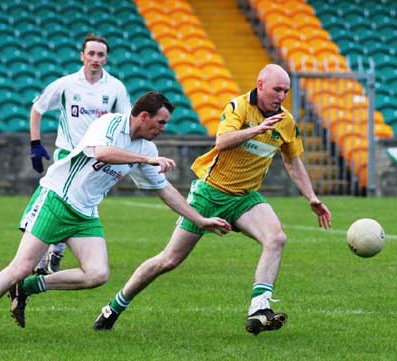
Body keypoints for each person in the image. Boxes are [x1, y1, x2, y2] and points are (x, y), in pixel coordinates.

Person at [0, 92, 231, 342]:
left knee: (97, 274)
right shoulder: (110, 124)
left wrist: (200, 220)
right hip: (56, 199)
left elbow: (166, 191)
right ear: (143, 116)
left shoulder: (147, 149)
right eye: (161, 122)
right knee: (21, 265)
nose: (163, 128)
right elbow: (102, 153)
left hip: (84, 213)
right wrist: (147, 161)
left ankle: (27, 288)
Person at [93, 64, 332, 335]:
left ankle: (259, 310)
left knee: (276, 238)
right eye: (277, 89)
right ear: (261, 84)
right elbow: (222, 141)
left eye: (286, 91)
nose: (281, 95)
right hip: (210, 193)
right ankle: (113, 307)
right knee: (169, 260)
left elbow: (292, 161)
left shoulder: (286, 121)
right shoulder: (239, 106)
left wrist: (311, 196)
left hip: (245, 197)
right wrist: (256, 129)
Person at [30, 33, 132, 275]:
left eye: (100, 55)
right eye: (91, 54)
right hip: (69, 154)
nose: (95, 59)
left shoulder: (115, 87)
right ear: (82, 56)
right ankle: (48, 255)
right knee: (66, 203)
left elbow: (126, 121)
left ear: (106, 59)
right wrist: (35, 143)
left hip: (96, 156)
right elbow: (38, 108)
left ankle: (54, 252)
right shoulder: (66, 84)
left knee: (84, 203)